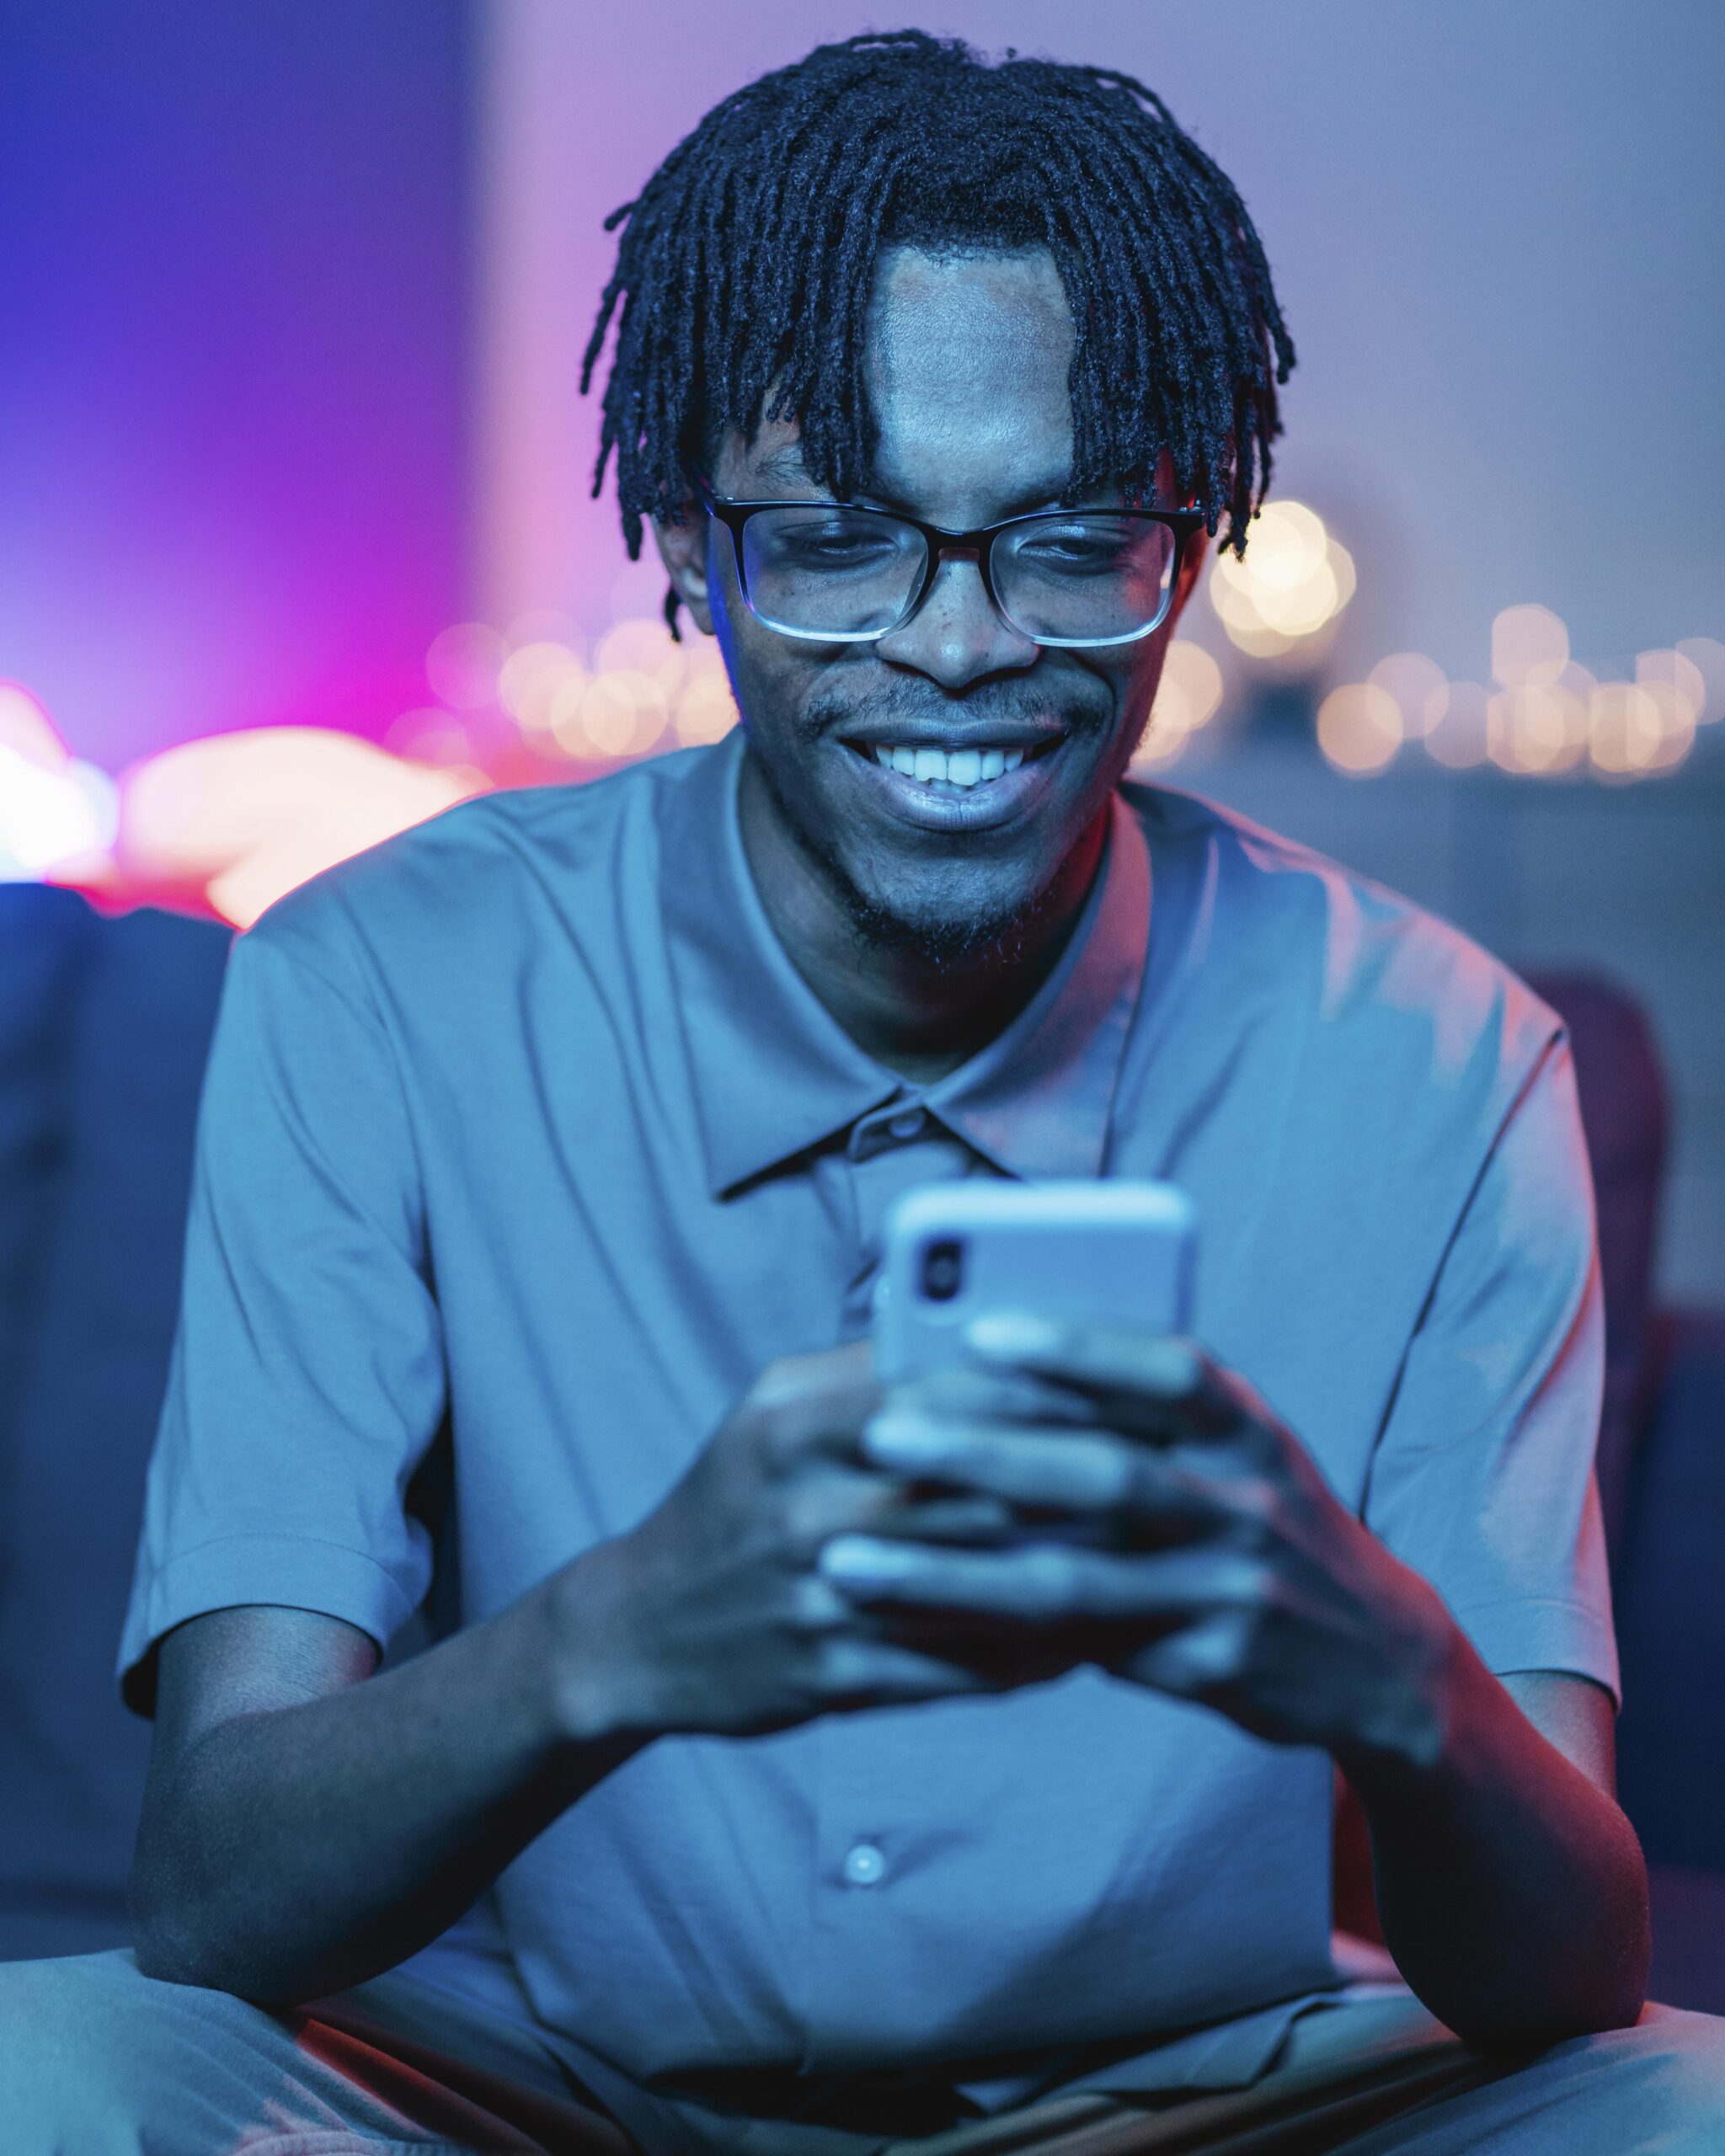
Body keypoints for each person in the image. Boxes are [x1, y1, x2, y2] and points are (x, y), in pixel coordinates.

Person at [6, 29, 1722, 2154]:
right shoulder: (377, 981)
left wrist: (1390, 1667)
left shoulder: (1446, 1063)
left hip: (1214, 2103)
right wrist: (611, 1636)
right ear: (692, 543)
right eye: (834, 536)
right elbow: (216, 1874)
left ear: (1185, 547)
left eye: (1072, 538)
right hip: (536, 2087)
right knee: (40, 2074)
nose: (958, 645)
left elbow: (1569, 1969)